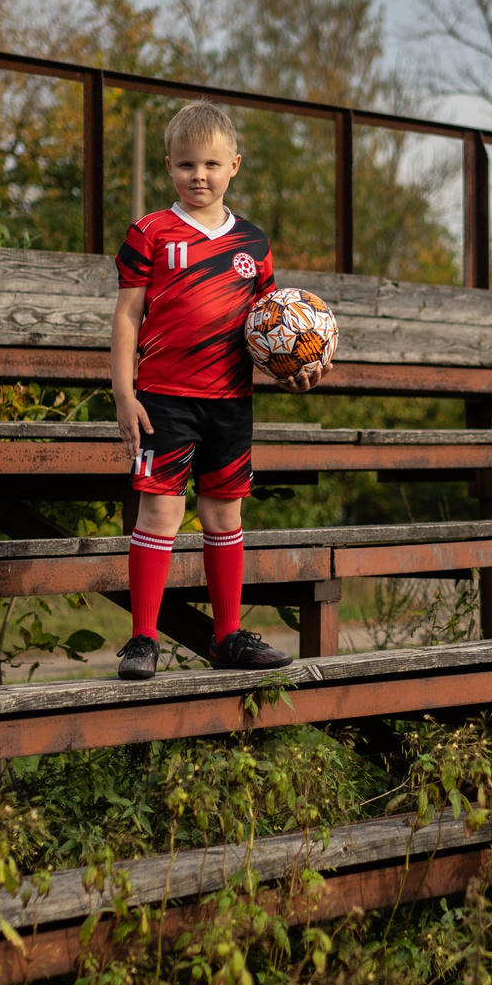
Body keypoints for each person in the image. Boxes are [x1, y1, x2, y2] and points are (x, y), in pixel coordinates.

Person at [109, 102, 324, 679]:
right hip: (163, 397)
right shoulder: (151, 233)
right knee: (160, 512)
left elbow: (271, 325)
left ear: (235, 165)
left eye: (210, 163)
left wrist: (295, 366)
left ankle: (226, 636)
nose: (197, 175)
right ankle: (142, 640)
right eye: (185, 165)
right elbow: (128, 315)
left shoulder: (254, 244)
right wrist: (123, 392)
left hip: (230, 401)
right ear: (168, 168)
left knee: (222, 515)